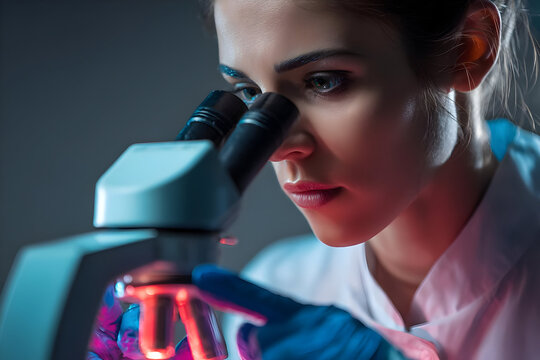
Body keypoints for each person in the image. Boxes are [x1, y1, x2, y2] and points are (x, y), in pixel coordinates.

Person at [89, 0, 540, 359]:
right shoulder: (280, 287)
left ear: (468, 47)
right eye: (250, 95)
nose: (279, 147)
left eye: (324, 81)